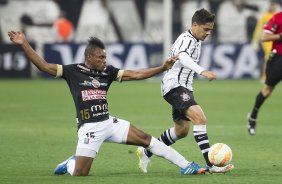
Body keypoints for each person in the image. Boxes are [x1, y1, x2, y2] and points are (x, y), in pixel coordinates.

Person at [8, 30, 208, 176]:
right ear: (89, 57)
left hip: (108, 122)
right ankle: (72, 162)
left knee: (146, 139)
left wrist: (162, 68)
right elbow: (42, 66)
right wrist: (24, 42)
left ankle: (186, 165)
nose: (104, 60)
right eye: (100, 57)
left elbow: (136, 74)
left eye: (105, 57)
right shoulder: (72, 71)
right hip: (89, 128)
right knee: (80, 173)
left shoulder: (108, 72)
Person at [136, 8, 234, 173]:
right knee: (200, 117)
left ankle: (146, 151)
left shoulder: (196, 41)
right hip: (174, 86)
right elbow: (182, 56)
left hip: (184, 88)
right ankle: (212, 166)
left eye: (211, 29)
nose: (208, 33)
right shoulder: (186, 39)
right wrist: (202, 71)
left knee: (181, 131)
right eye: (206, 29)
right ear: (195, 25)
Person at [247, 11, 282, 135]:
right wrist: (280, 36)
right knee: (267, 90)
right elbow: (264, 37)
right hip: (278, 59)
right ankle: (253, 116)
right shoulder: (277, 18)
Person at [251, 1, 277, 81]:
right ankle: (265, 77)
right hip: (267, 39)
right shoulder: (264, 16)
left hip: (275, 39)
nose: (272, 7)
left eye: (273, 6)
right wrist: (254, 41)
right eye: (271, 6)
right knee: (268, 56)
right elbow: (258, 29)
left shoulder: (276, 16)